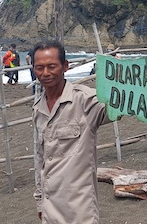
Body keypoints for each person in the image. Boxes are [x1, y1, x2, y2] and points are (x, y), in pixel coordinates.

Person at [32, 40, 112, 223]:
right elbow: (40, 158)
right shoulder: (38, 109)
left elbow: (121, 104)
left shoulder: (86, 101)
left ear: (65, 66)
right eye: (39, 68)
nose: (45, 73)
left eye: (52, 66)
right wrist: (39, 201)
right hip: (50, 208)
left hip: (79, 211)